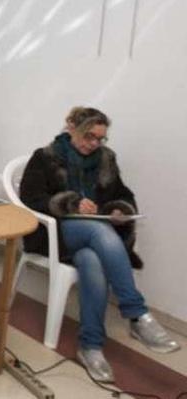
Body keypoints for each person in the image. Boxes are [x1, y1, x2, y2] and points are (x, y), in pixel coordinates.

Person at [19, 107, 179, 383]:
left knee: (93, 260)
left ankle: (90, 346)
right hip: (55, 232)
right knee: (100, 233)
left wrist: (119, 209)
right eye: (89, 136)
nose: (94, 143)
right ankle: (137, 313)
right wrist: (71, 203)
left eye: (100, 139)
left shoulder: (106, 159)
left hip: (90, 236)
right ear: (71, 127)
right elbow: (31, 198)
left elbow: (122, 193)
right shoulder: (45, 157)